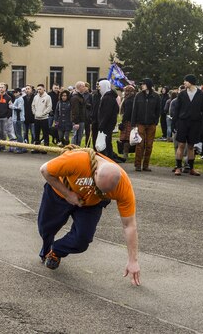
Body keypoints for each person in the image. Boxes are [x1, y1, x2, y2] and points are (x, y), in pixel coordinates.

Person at [37, 148, 141, 286]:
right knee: (46, 228)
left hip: (92, 203)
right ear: (95, 173)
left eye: (106, 192)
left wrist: (133, 260)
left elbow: (129, 225)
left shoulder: (123, 185)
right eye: (100, 188)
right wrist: (68, 195)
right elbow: (45, 170)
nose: (103, 192)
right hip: (60, 193)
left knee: (82, 240)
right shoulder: (77, 160)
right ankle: (46, 249)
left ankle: (56, 251)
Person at [172, 74, 203, 176]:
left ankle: (191, 168)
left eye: (186, 81)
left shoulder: (201, 94)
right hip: (183, 122)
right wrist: (175, 123)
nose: (184, 83)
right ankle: (178, 167)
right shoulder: (182, 94)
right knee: (181, 145)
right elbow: (177, 110)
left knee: (191, 146)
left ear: (191, 82)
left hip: (195, 123)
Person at [130, 78, 161, 172]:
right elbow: (134, 109)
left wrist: (155, 121)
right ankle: (138, 164)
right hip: (140, 123)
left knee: (149, 145)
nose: (142, 85)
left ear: (148, 85)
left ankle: (146, 165)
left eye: (143, 84)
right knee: (140, 144)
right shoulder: (138, 95)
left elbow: (158, 110)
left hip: (151, 123)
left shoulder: (156, 96)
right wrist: (133, 123)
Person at [96, 79, 123, 162]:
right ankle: (108, 157)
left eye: (100, 87)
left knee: (107, 141)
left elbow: (106, 113)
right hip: (108, 123)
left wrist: (102, 124)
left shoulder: (107, 98)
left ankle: (107, 158)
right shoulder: (107, 96)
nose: (99, 89)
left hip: (107, 124)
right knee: (107, 141)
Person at [0, 83, 16, 151]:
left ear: (5, 88)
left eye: (2, 87)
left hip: (6, 118)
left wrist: (8, 116)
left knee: (6, 132)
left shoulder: (8, 97)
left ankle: (11, 147)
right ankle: (1, 147)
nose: (1, 89)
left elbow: (10, 108)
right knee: (0, 132)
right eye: (0, 87)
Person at [117, 85, 136, 161]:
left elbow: (127, 112)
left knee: (126, 139)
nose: (124, 93)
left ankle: (125, 154)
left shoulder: (128, 100)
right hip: (133, 121)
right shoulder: (134, 98)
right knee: (133, 138)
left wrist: (123, 121)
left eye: (126, 91)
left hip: (128, 121)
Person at [32, 84, 51, 152]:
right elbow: (33, 106)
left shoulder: (47, 97)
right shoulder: (35, 97)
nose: (39, 90)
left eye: (40, 89)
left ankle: (45, 148)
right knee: (36, 133)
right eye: (38, 89)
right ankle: (36, 148)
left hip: (44, 118)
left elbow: (49, 107)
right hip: (36, 118)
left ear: (43, 89)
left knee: (45, 133)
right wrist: (35, 113)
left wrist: (43, 113)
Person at [70, 81, 89, 146]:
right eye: (83, 86)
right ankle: (72, 151)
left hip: (81, 120)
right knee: (75, 137)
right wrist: (76, 122)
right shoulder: (75, 98)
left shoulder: (80, 96)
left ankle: (77, 150)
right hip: (78, 121)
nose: (85, 88)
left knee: (79, 137)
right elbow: (75, 111)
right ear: (79, 87)